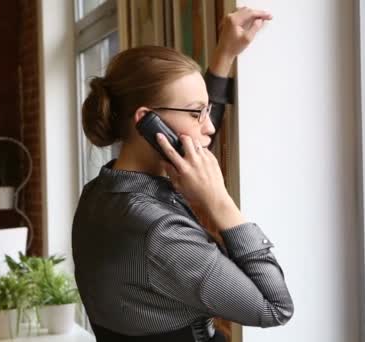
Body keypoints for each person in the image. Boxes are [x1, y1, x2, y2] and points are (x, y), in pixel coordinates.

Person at [72, 7, 293, 342]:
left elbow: (194, 133)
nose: (207, 126)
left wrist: (225, 55)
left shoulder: (98, 194)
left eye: (206, 110)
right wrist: (219, 202)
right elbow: (275, 307)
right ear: (147, 121)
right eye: (196, 112)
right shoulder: (159, 230)